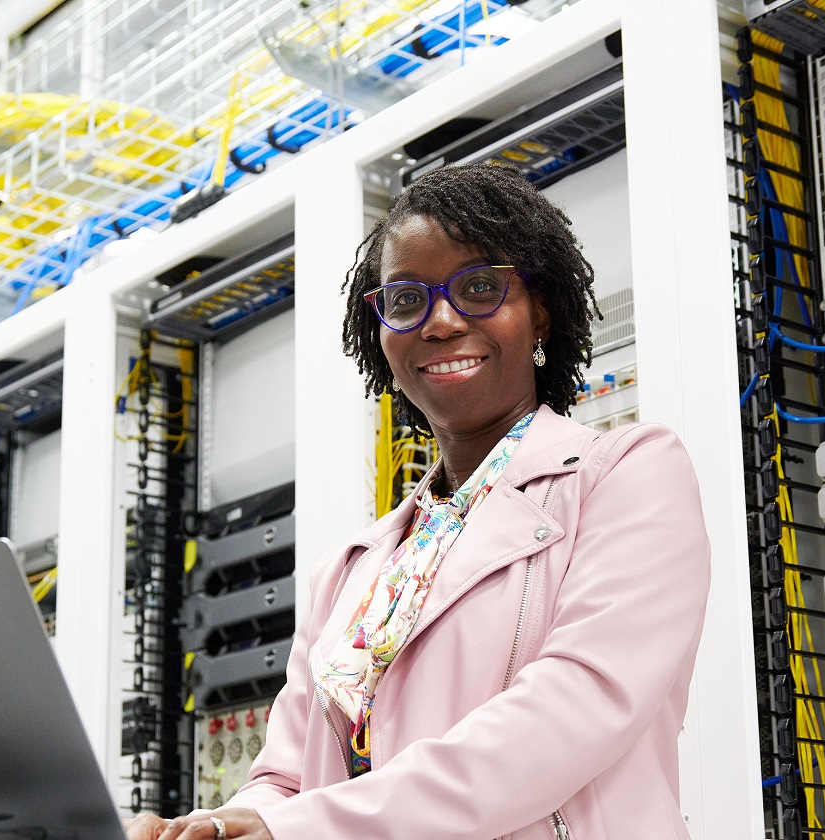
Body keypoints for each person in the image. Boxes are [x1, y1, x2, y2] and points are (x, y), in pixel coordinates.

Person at [128, 164, 711, 840]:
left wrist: (308, 830)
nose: (438, 321)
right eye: (405, 300)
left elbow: (570, 711)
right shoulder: (350, 571)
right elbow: (286, 778)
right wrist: (211, 828)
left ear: (541, 313)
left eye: (480, 288)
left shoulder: (626, 476)